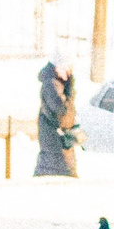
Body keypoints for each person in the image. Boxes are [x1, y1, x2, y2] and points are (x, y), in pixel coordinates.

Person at [35, 49, 79, 177]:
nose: (70, 72)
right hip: (56, 146)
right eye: (68, 67)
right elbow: (64, 116)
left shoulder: (57, 84)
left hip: (55, 144)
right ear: (58, 67)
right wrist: (71, 89)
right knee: (59, 180)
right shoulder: (52, 85)